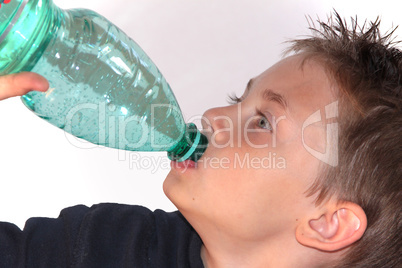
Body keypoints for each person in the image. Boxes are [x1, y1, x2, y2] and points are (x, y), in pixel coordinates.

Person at [0, 12, 400, 268]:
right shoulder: (106, 241)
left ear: (328, 223)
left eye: (261, 122)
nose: (211, 117)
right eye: (236, 100)